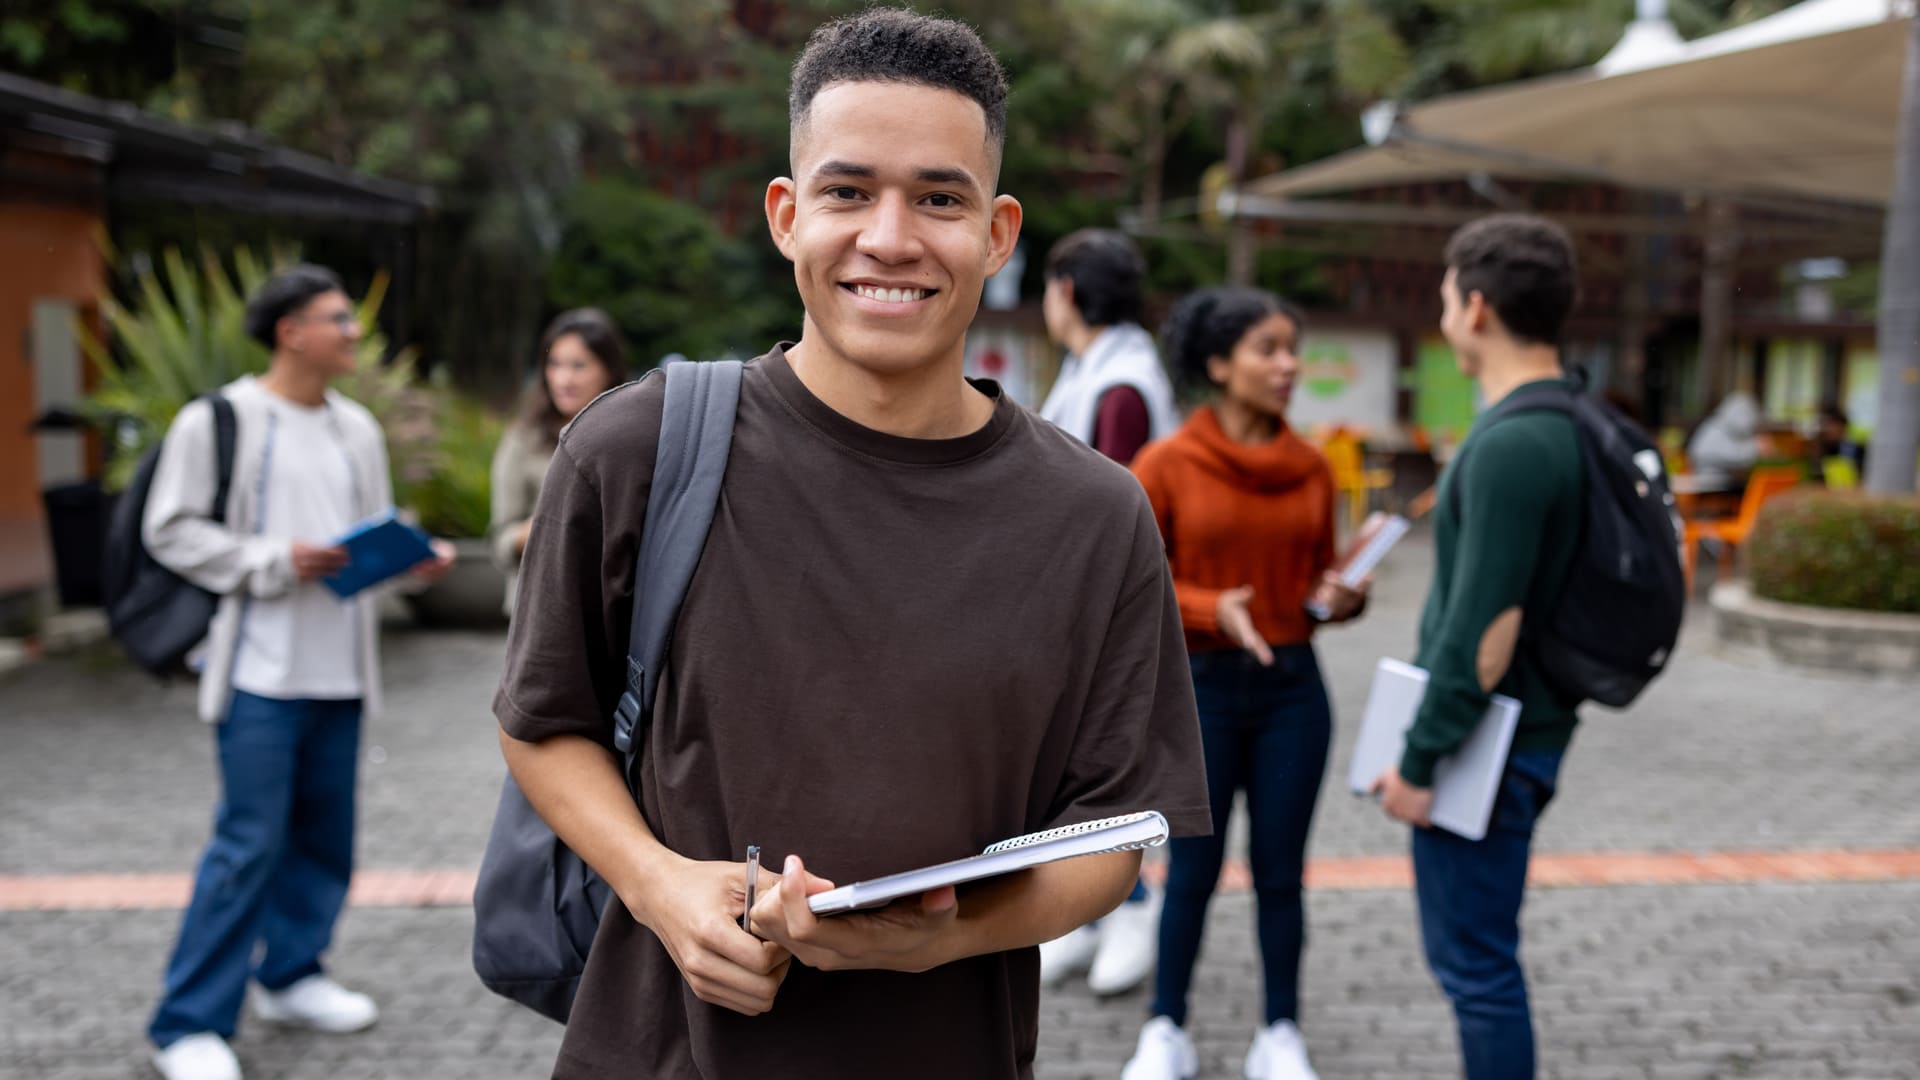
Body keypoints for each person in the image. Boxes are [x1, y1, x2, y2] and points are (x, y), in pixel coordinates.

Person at [491, 10, 1211, 1079]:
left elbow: (1114, 830)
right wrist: (655, 882)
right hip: (664, 1049)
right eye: (847, 191)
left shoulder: (1094, 514)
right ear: (786, 215)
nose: (890, 237)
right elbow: (546, 723)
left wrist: (949, 934)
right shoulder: (636, 452)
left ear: (1000, 233)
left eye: (938, 198)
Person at [143, 264, 455, 1080]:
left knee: (325, 838)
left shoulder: (356, 427)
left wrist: (409, 560)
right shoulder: (221, 420)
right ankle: (187, 1025)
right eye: (337, 320)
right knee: (247, 844)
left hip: (341, 673)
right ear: (291, 332)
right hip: (257, 673)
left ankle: (292, 974)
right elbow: (169, 530)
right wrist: (275, 559)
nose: (354, 333)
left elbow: (369, 536)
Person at [1121, 287, 1368, 1080]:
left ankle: (1281, 1033)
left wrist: (1340, 597)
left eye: (1293, 348)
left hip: (1295, 688)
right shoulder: (1163, 465)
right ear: (1219, 365)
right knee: (1190, 869)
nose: (1290, 364)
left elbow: (1313, 582)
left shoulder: (1311, 468)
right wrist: (1207, 608)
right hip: (1198, 689)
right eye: (1270, 349)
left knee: (1280, 873)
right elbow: (1132, 580)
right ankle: (1166, 1031)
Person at [1368, 214, 1587, 1080]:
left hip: (1487, 751)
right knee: (1481, 961)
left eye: (1447, 296)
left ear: (1479, 307)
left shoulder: (1512, 445)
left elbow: (1484, 637)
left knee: (1478, 971)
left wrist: (1419, 764)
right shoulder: (1562, 416)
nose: (1445, 312)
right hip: (1528, 734)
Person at [1032, 227, 1181, 997]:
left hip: (1101, 612)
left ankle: (1132, 906)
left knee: (1097, 772)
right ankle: (1087, 920)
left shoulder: (1119, 385)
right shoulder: (1103, 368)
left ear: (1068, 293)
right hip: (1080, 604)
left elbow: (1112, 501)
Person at [490, 308, 632, 614]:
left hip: (615, 608)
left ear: (608, 369)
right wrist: (536, 529)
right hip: (541, 608)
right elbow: (499, 542)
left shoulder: (633, 436)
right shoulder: (523, 439)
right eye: (554, 365)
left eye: (579, 366)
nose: (563, 379)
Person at [1037, 228, 1181, 463]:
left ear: (1066, 290)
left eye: (1048, 289)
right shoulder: (1089, 368)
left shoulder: (1121, 389)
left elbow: (1116, 494)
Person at [1687, 390, 1761, 478]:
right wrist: (1754, 448)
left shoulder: (1731, 431)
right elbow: (1732, 457)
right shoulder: (1714, 430)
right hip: (1710, 481)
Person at [1813, 401, 1866, 483]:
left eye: (1833, 426)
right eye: (1825, 425)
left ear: (1843, 427)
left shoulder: (1856, 449)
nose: (1829, 430)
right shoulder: (1820, 447)